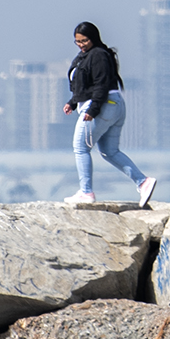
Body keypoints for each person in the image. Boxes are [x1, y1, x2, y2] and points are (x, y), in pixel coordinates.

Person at [63, 22, 158, 207]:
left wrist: (93, 109)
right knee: (109, 151)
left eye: (84, 40)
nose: (81, 44)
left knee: (80, 148)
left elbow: (101, 85)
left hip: (103, 105)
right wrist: (73, 103)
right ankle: (143, 182)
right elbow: (85, 86)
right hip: (113, 105)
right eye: (77, 41)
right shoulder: (86, 56)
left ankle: (86, 192)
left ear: (94, 38)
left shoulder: (98, 55)